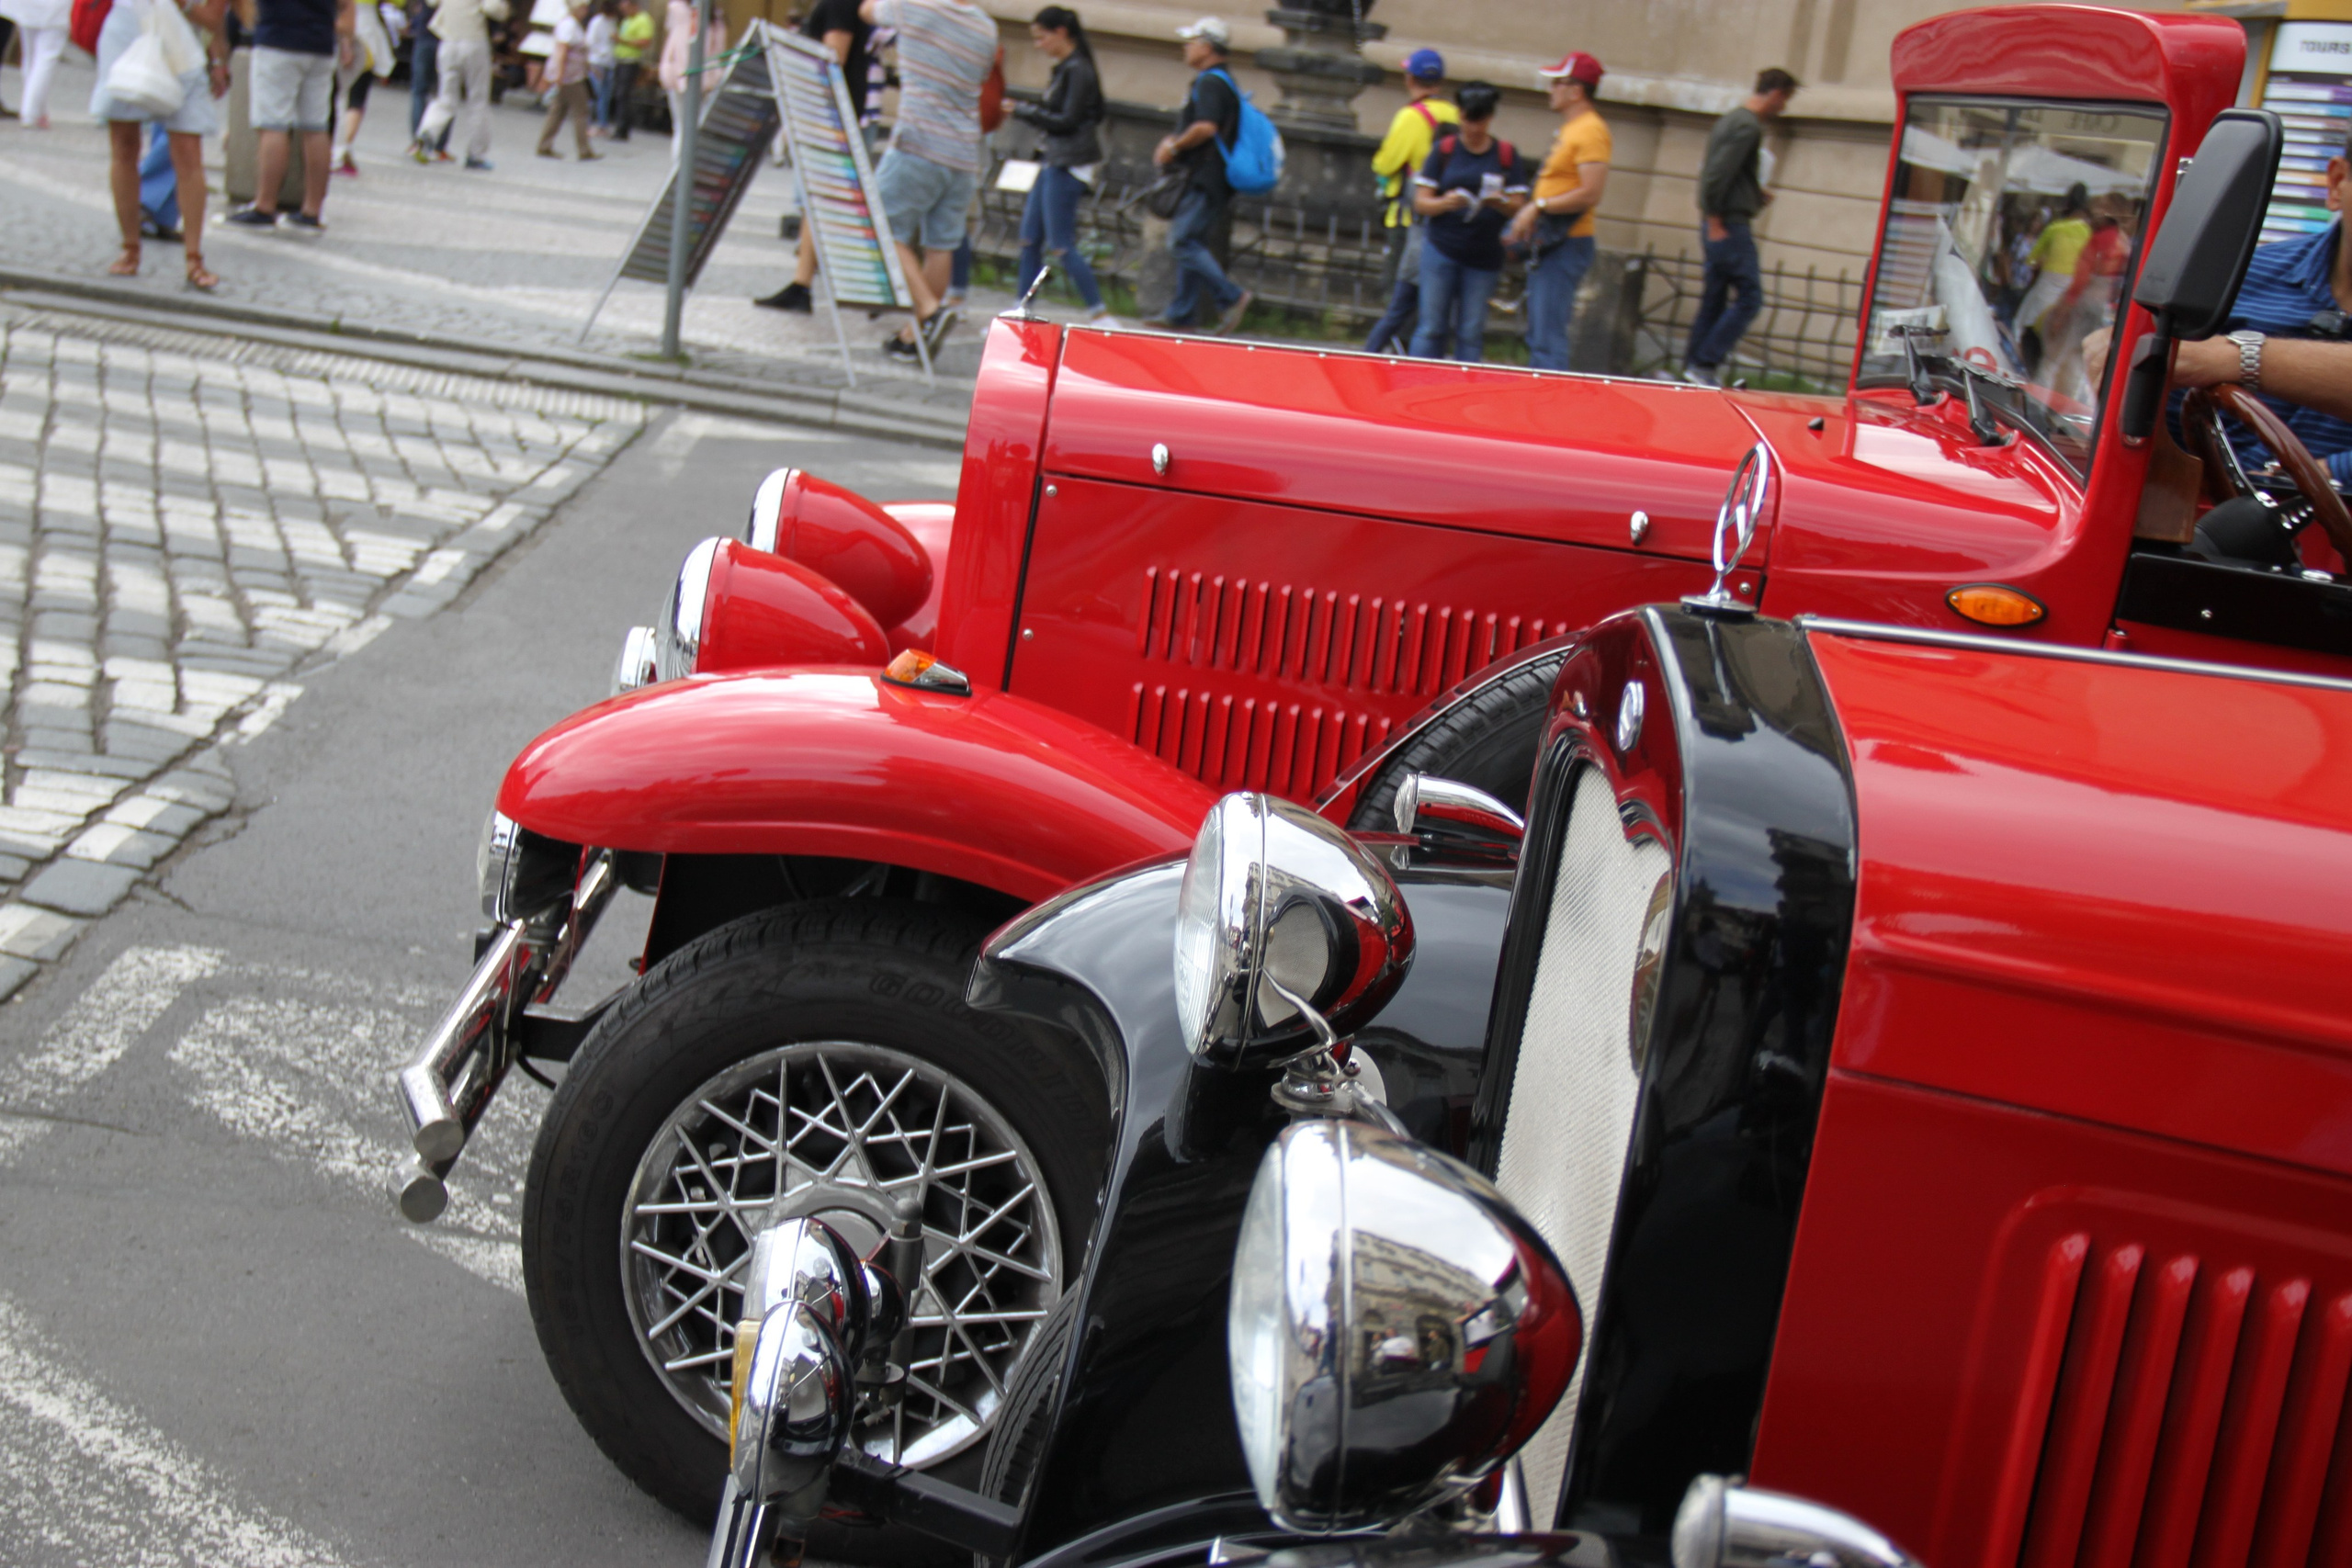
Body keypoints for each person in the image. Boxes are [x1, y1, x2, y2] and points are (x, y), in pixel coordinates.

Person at [857, 0, 995, 360]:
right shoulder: (986, 27)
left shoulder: (915, 7)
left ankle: (928, 311)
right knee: (941, 245)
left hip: (918, 141)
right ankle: (914, 338)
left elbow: (867, 10)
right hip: (964, 152)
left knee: (881, 227)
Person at [93, 0, 229, 286]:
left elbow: (214, 18)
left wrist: (217, 58)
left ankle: (194, 258)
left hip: (180, 46)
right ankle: (130, 248)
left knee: (188, 153)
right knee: (124, 146)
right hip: (127, 31)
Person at [752, 0, 872, 311]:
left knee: (824, 202)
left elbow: (831, 59)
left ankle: (812, 285)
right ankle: (801, 284)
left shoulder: (839, 3)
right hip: (838, 114)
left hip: (829, 116)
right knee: (815, 201)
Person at [1685, 66, 1797, 386]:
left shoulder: (1732, 119)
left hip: (1722, 218)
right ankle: (1705, 361)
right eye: (1784, 99)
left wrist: (1752, 193)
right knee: (1750, 297)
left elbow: (1725, 171)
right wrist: (1716, 220)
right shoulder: (1748, 127)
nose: (1783, 108)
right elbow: (1717, 173)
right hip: (1729, 224)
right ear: (1776, 94)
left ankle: (1694, 366)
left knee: (1714, 298)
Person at [1408, 80, 1527, 362]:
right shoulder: (1444, 150)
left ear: (1491, 117)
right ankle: (1417, 385)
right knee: (1431, 327)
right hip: (1442, 247)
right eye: (1468, 120)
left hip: (1484, 255)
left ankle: (1463, 395)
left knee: (1471, 332)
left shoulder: (1506, 155)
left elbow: (1519, 206)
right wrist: (1444, 203)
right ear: (1459, 115)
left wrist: (1498, 201)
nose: (1474, 129)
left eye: (1481, 120)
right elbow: (1422, 201)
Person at [1509, 51, 1609, 372]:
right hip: (1554, 239)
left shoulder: (1590, 130)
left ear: (1576, 90)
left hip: (1566, 241)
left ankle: (1548, 407)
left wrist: (1537, 207)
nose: (1550, 90)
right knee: (1541, 334)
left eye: (1557, 83)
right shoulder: (1574, 128)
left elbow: (1590, 192)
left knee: (1548, 338)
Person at [1010, 6, 1109, 322]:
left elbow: (1067, 119)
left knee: (1061, 244)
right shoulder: (1068, 68)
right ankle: (1023, 309)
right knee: (1030, 239)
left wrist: (1022, 111)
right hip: (1052, 159)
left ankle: (1098, 312)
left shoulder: (1078, 70)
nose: (1039, 45)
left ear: (1060, 33)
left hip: (1067, 162)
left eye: (1042, 38)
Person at [1155, 17, 1251, 334]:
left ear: (1206, 47)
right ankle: (1181, 315)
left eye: (1191, 41)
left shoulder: (1210, 81)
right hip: (1212, 177)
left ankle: (1231, 296)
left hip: (1203, 176)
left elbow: (1206, 126)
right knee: (1192, 241)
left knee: (1182, 242)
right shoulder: (1223, 80)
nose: (1186, 48)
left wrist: (1174, 147)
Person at [230, 0, 356, 231]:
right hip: (320, 43)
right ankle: (312, 210)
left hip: (277, 38)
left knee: (273, 125)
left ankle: (265, 206)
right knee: (316, 127)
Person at [1361, 47, 1453, 354]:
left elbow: (1385, 163)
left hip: (1407, 216)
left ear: (1410, 77)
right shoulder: (1455, 114)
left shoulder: (1411, 115)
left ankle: (1383, 354)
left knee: (1398, 294)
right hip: (1446, 219)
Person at [409, 0, 506, 167]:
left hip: (447, 42)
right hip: (474, 41)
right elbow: (494, 8)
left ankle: (428, 133)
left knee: (445, 98)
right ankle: (476, 155)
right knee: (478, 101)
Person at [659, 0, 726, 164]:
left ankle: (679, 167)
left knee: (680, 126)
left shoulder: (675, 10)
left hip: (676, 73)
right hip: (705, 76)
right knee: (698, 125)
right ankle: (692, 165)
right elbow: (719, 51)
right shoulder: (714, 17)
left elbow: (671, 39)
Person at [536, 0, 598, 158]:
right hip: (570, 76)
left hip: (572, 73)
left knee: (558, 110)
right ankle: (584, 149)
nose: (586, 10)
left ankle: (545, 144)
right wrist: (560, 74)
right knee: (580, 111)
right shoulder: (569, 25)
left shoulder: (573, 24)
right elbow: (562, 51)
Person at [0, 0, 69, 128]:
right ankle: (32, 112)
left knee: (30, 57)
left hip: (27, 7)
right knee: (46, 57)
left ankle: (38, 110)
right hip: (57, 9)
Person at [609, 0, 650, 137]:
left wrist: (622, 41)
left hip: (630, 61)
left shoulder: (643, 20)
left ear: (634, 6)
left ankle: (623, 128)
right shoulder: (627, 20)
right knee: (619, 94)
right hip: (620, 60)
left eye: (626, 8)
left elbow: (645, 41)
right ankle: (620, 125)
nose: (624, 11)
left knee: (623, 94)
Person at [586, 0, 616, 132]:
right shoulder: (597, 22)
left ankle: (602, 124)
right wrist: (601, 53)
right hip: (597, 61)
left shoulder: (613, 22)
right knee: (595, 94)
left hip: (609, 62)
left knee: (605, 95)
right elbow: (590, 41)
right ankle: (588, 122)